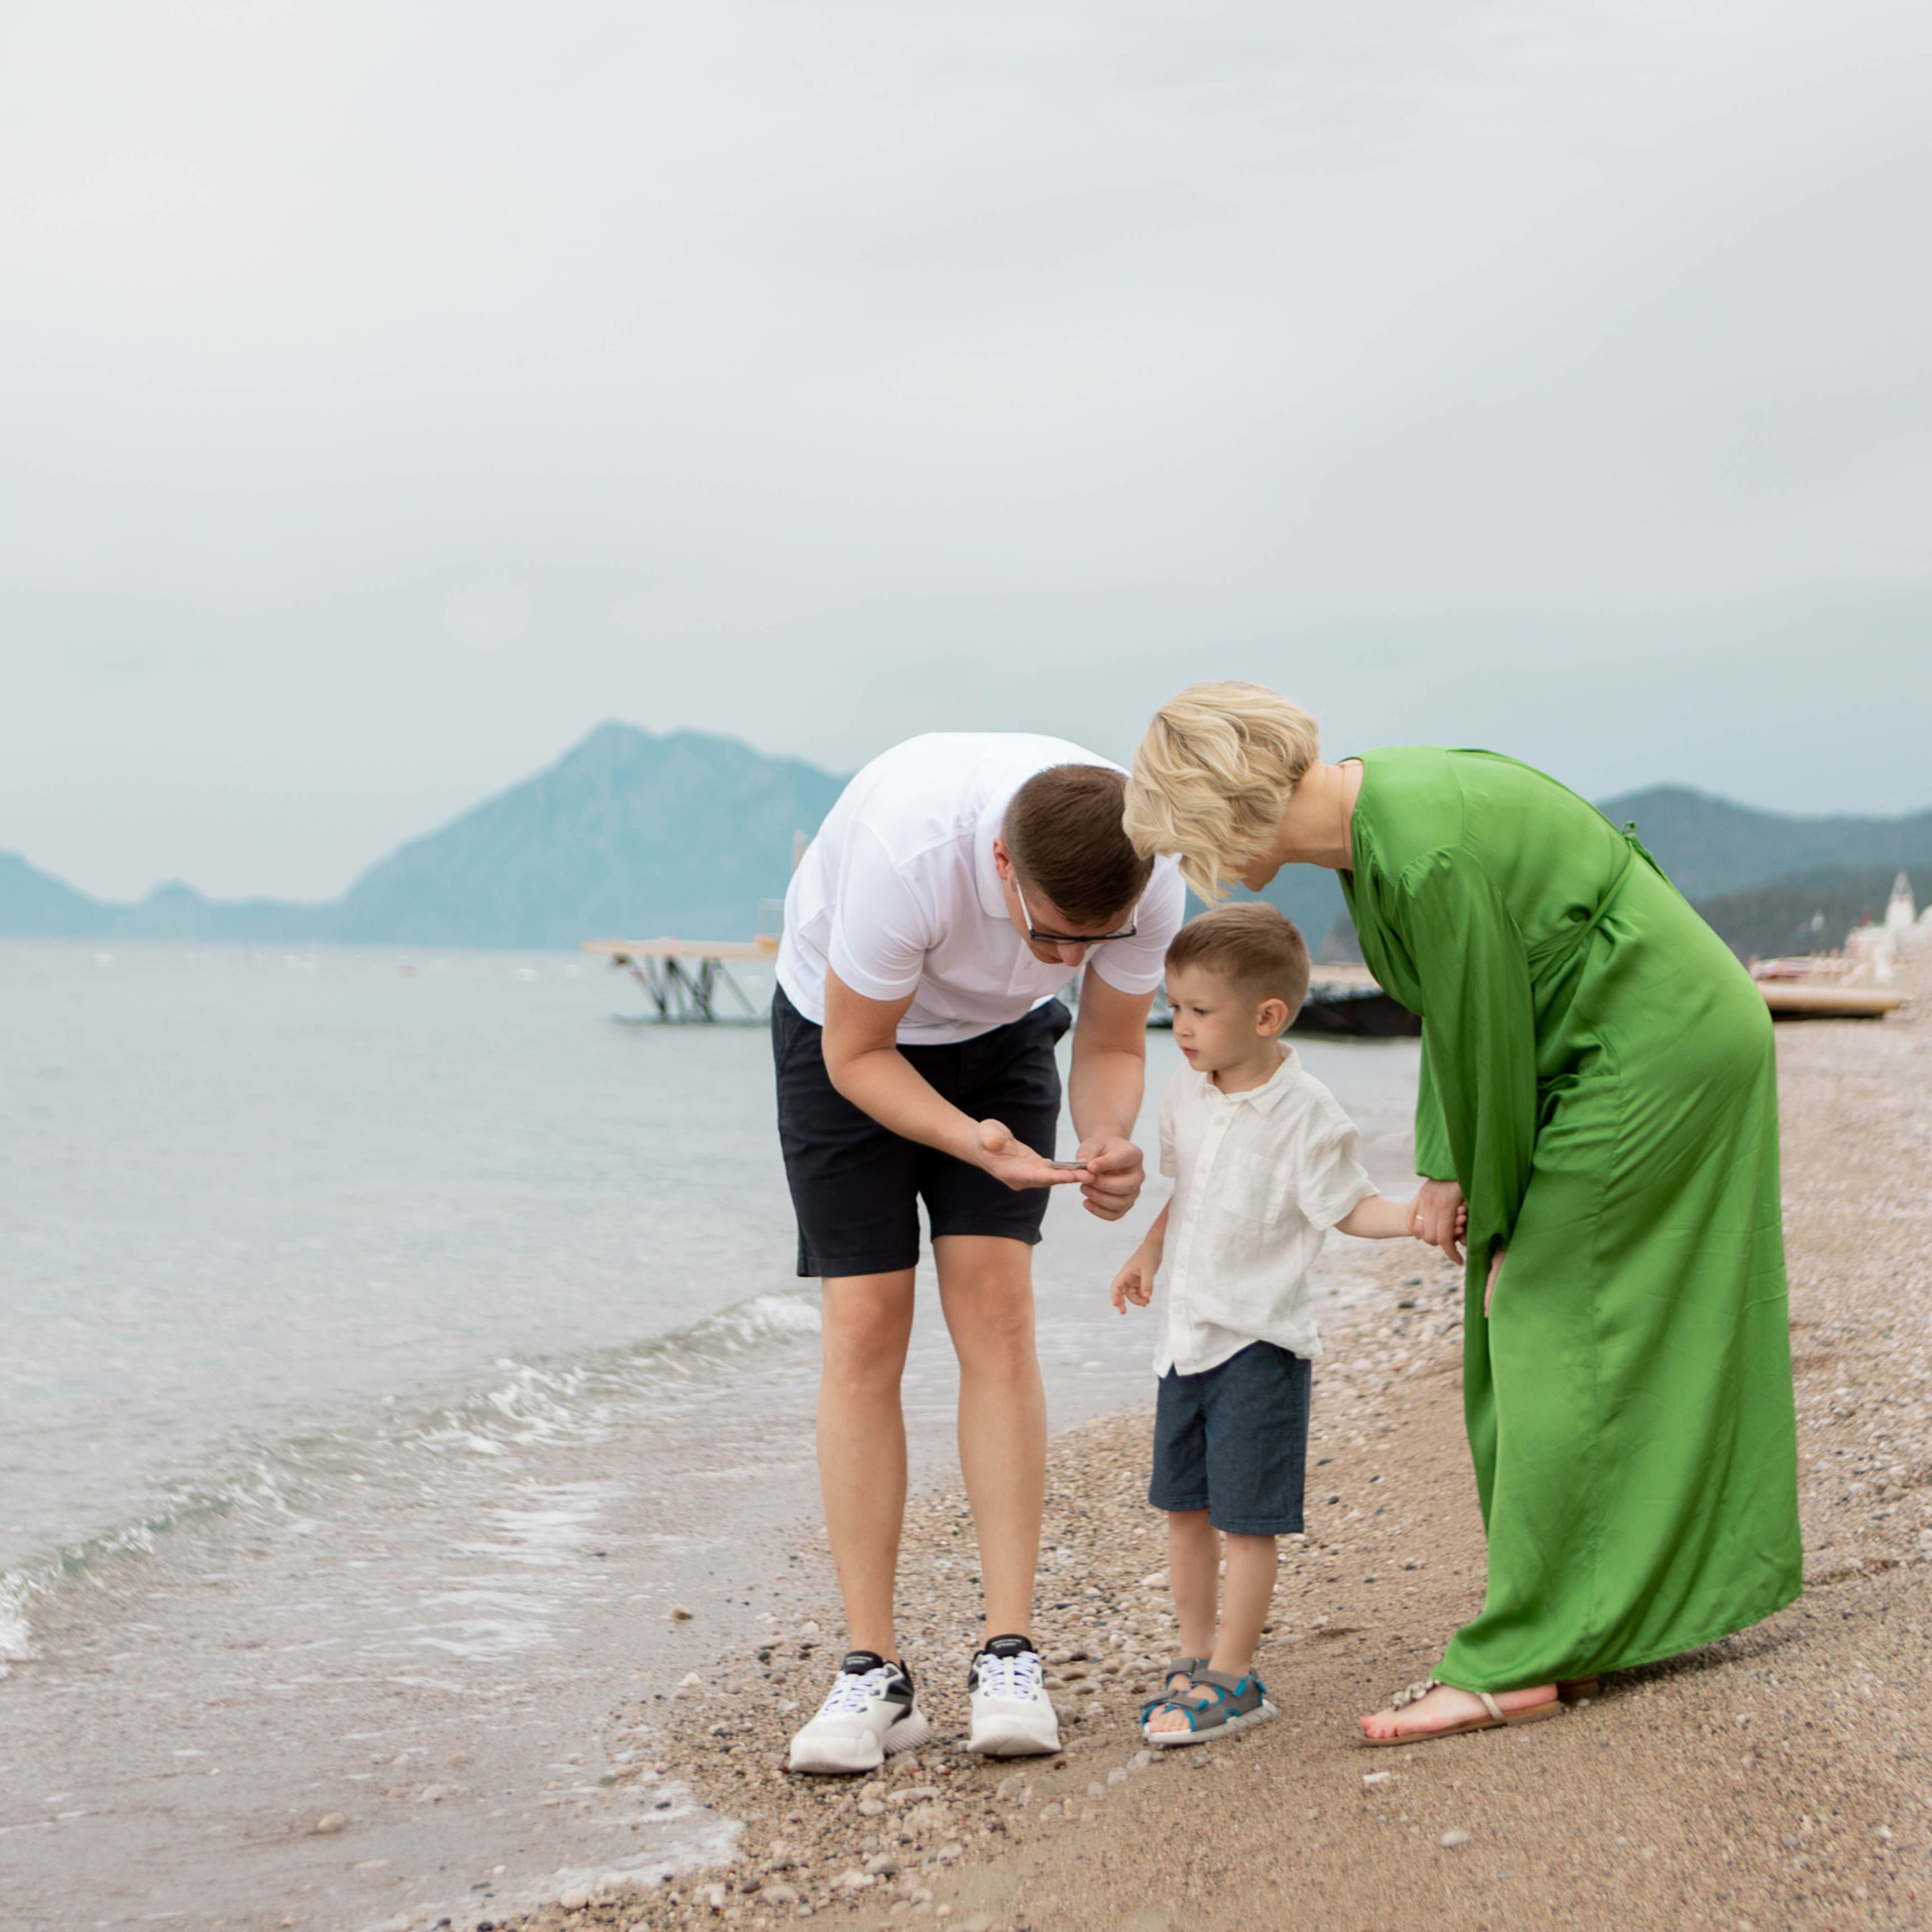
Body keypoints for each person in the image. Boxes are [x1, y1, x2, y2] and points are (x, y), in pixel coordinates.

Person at [1121, 682, 1802, 1746]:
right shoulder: (1381, 821)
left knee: (1534, 1320)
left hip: (1646, 1051)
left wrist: (1493, 1219)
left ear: (1226, 805)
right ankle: (1603, 1615)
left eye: (1188, 839)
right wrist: (1445, 1169)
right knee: (1575, 1327)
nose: (1193, 868)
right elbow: (1461, 1009)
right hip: (1640, 1039)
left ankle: (1524, 1656)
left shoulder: (1418, 850)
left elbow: (1486, 1027)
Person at [774, 733, 1186, 1774]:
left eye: (1096, 941)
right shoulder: (906, 853)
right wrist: (969, 1143)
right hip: (848, 1037)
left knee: (997, 1308)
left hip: (1002, 1044)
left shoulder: (1154, 869)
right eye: (1052, 937)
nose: (1068, 962)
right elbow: (857, 1055)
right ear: (1003, 864)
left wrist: (1108, 1142)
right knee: (867, 1324)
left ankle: (1010, 1655)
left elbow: (1108, 1041)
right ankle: (875, 1673)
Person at [1109, 903, 1434, 1746]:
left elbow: (1346, 1206)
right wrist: (1148, 1253)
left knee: (1246, 1521)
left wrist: (1416, 1218)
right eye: (1173, 1006)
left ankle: (1234, 1674)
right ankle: (1191, 1653)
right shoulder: (1186, 1092)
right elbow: (1189, 1194)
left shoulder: (1308, 1113)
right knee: (1183, 1508)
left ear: (1266, 1017)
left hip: (1258, 1342)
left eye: (1198, 1011)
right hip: (1183, 1345)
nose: (1178, 1026)